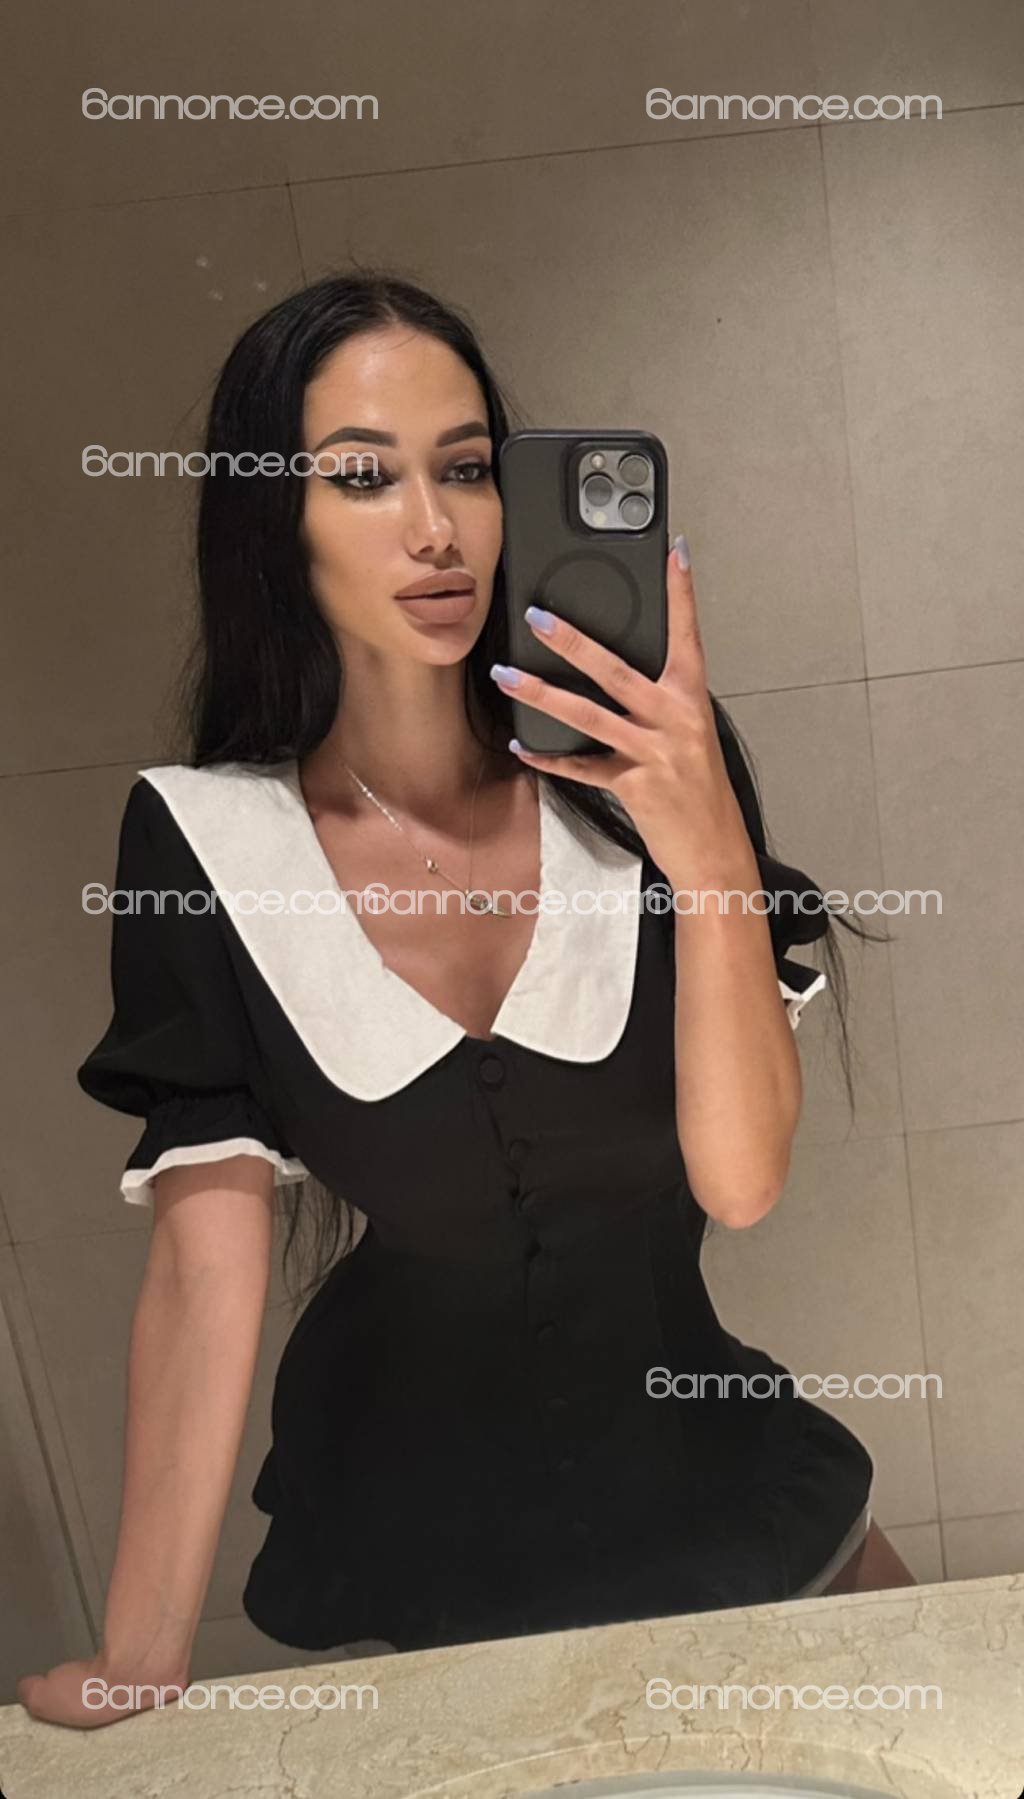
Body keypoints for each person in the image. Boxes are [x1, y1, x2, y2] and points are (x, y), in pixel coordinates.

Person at [18, 271, 913, 1729]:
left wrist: (707, 851)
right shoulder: (204, 842)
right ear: (274, 519)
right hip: (431, 1559)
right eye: (363, 476)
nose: (435, 528)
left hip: (738, 1501)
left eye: (470, 468)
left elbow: (743, 1183)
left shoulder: (648, 780)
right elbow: (204, 1266)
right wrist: (144, 1652)